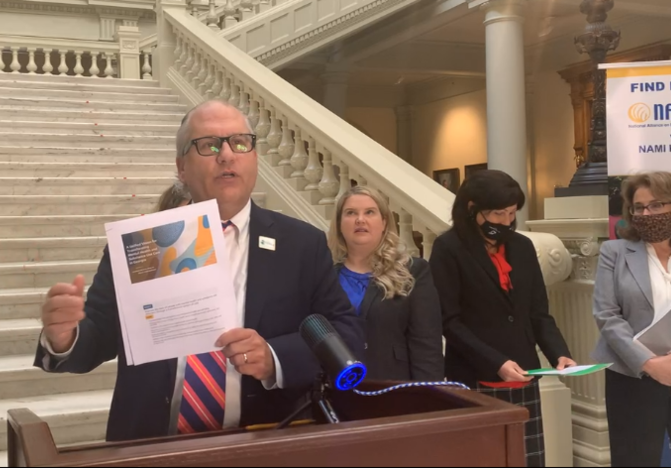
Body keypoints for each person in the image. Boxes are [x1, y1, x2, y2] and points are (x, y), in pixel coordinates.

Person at [34, 100, 364, 442]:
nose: (226, 155)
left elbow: (346, 333)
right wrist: (65, 338)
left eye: (240, 143)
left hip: (263, 442)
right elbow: (99, 337)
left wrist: (274, 357)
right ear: (181, 168)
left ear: (254, 157)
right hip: (152, 445)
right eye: (208, 145)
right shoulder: (143, 243)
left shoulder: (301, 244)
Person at [429, 170, 575, 468]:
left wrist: (560, 354)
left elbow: (538, 313)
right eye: (498, 213)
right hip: (475, 377)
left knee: (526, 459)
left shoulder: (521, 247)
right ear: (472, 210)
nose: (507, 221)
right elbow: (449, 321)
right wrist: (496, 362)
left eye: (511, 213)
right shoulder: (448, 249)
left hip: (523, 376)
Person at [592, 171, 671, 467]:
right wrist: (650, 364)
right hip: (633, 376)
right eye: (639, 208)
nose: (646, 213)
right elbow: (606, 315)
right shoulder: (615, 252)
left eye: (656, 205)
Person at [328, 185, 444, 382]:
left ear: (383, 222)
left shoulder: (413, 271)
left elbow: (426, 346)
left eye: (370, 212)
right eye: (351, 213)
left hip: (394, 389)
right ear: (339, 223)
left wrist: (429, 396)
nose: (360, 219)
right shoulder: (325, 274)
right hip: (336, 389)